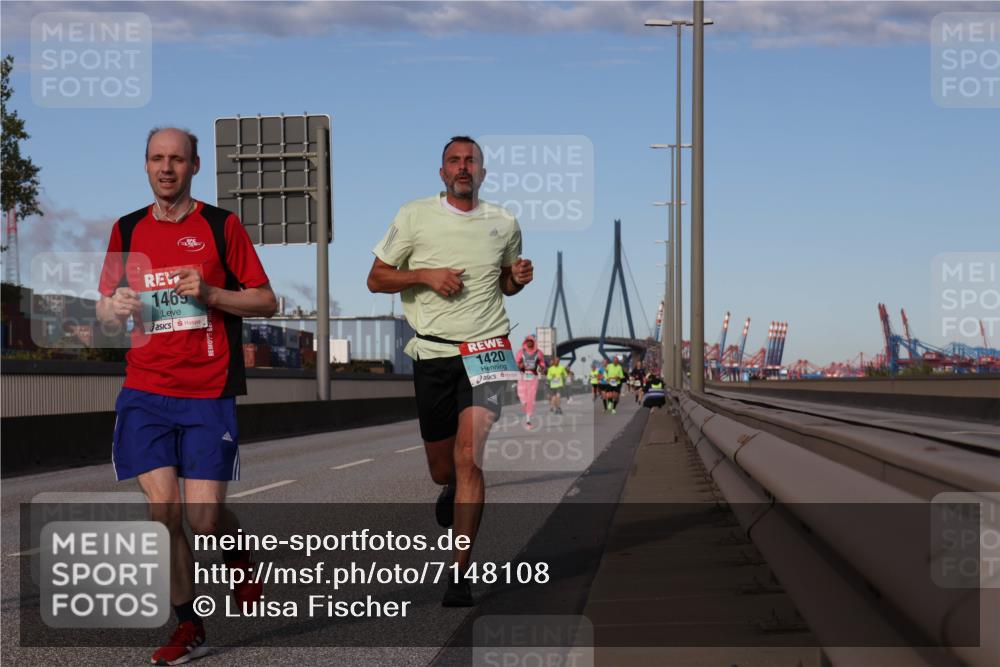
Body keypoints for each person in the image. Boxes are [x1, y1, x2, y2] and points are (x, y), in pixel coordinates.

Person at [96, 127, 277, 665]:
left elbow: (266, 301)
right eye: (157, 158)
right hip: (145, 390)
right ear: (146, 165)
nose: (166, 168)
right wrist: (115, 309)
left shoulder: (221, 226)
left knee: (204, 520)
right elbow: (104, 310)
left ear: (195, 166)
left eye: (177, 159)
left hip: (207, 393)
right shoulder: (127, 228)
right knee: (164, 514)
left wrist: (212, 293)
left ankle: (239, 558)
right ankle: (189, 625)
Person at [366, 136, 532, 607]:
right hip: (434, 353)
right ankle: (451, 488)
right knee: (443, 469)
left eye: (471, 161)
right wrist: (425, 274)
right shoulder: (414, 216)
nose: (463, 167)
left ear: (483, 172)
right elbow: (376, 278)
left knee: (469, 456)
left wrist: (516, 279)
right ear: (442, 172)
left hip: (488, 349)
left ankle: (459, 574)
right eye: (454, 161)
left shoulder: (504, 222)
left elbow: (504, 283)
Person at [515, 334, 546, 427]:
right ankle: (527, 412)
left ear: (533, 342)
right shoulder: (521, 352)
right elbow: (516, 363)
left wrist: (541, 368)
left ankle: (528, 420)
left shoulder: (538, 353)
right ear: (525, 342)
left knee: (530, 398)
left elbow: (542, 363)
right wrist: (520, 365)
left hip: (533, 376)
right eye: (527, 341)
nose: (529, 343)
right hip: (523, 376)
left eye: (531, 341)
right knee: (522, 398)